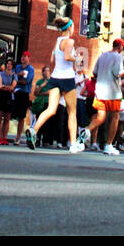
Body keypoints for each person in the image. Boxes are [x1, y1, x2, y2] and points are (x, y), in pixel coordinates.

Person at [25, 16, 83, 153]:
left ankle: (33, 130)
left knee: (51, 109)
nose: (74, 28)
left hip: (55, 77)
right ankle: (73, 144)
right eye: (73, 26)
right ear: (69, 28)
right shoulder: (69, 41)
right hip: (67, 78)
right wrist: (78, 58)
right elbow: (67, 57)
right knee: (72, 112)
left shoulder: (57, 41)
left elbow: (52, 58)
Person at [86, 37, 124, 155]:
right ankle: (109, 145)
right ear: (120, 47)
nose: (122, 50)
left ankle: (86, 131)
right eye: (122, 48)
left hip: (100, 91)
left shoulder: (102, 55)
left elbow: (95, 72)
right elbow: (117, 73)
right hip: (113, 91)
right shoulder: (118, 57)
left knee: (100, 117)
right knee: (115, 117)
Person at [12, 51, 34, 144]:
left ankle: (18, 137)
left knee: (21, 116)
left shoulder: (30, 69)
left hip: (24, 93)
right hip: (15, 92)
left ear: (29, 58)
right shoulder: (17, 67)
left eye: (25, 56)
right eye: (22, 56)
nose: (23, 58)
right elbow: (13, 77)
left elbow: (26, 81)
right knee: (11, 114)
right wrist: (18, 76)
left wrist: (17, 79)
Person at [0, 56, 16, 144]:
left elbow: (12, 88)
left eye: (11, 64)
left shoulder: (14, 75)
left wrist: (4, 86)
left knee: (7, 118)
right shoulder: (1, 74)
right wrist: (4, 87)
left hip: (9, 97)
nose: (9, 65)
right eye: (8, 64)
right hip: (1, 97)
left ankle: (4, 137)